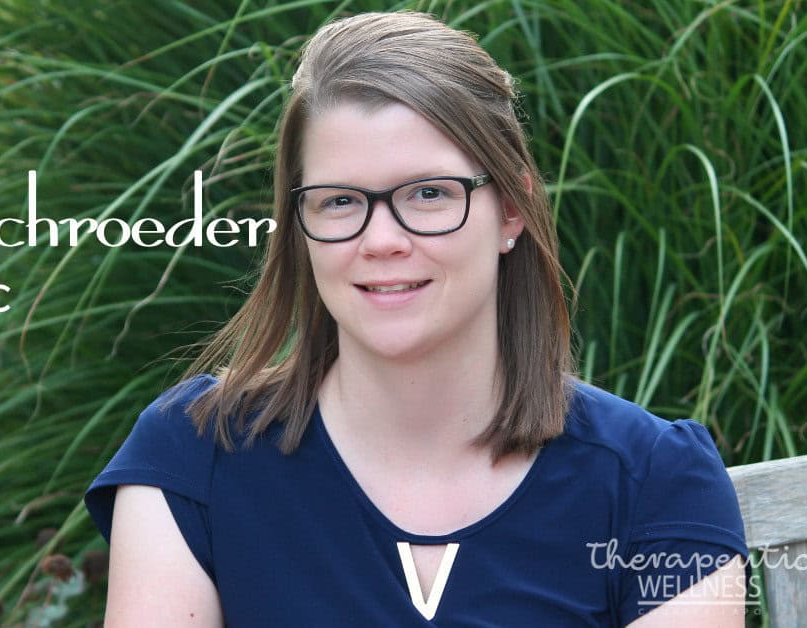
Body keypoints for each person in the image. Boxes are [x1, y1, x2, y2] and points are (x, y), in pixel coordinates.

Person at [85, 11, 748, 627]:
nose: (381, 240)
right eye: (340, 201)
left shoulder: (657, 481)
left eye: (429, 193)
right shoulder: (194, 454)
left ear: (511, 209)